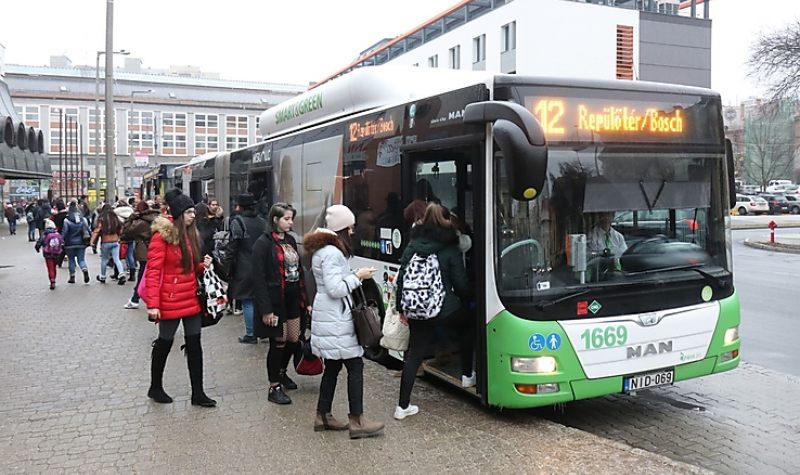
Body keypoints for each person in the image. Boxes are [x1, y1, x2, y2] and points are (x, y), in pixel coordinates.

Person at [303, 204, 384, 438]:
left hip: (331, 316)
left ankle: (323, 415)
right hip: (336, 318)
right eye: (349, 227)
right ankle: (357, 421)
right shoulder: (332, 253)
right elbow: (335, 288)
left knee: (333, 366)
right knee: (355, 366)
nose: (352, 232)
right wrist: (358, 276)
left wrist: (353, 274)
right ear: (341, 228)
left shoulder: (324, 250)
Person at [394, 203, 472, 420]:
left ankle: (402, 407)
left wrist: (401, 308)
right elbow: (461, 283)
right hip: (444, 308)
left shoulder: (413, 244)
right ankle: (468, 375)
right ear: (447, 221)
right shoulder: (450, 247)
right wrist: (468, 299)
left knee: (415, 354)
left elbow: (401, 278)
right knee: (469, 325)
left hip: (417, 308)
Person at [144, 188, 216, 407]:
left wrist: (202, 266)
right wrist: (153, 305)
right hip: (170, 300)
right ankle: (155, 387)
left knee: (195, 345)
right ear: (178, 214)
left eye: (193, 212)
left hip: (191, 297)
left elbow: (189, 268)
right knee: (164, 344)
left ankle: (198, 393)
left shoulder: (190, 235)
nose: (193, 216)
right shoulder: (162, 237)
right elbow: (153, 272)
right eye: (188, 212)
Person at [252, 203, 310, 405]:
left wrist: (306, 301)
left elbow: (300, 272)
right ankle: (273, 385)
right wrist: (266, 310)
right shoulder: (263, 243)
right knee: (278, 341)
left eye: (291, 218)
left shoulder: (291, 240)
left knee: (294, 338)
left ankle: (282, 372)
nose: (290, 222)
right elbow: (258, 278)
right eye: (286, 219)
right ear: (275, 219)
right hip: (276, 301)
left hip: (293, 298)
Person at [228, 193, 266, 344]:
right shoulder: (262, 222)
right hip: (261, 265)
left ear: (240, 207)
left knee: (247, 300)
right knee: (260, 299)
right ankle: (263, 332)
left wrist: (228, 265)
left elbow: (233, 246)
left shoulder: (238, 222)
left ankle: (251, 334)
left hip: (244, 266)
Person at [121, 200, 161, 309]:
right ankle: (136, 298)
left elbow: (126, 230)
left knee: (142, 277)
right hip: (155, 249)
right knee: (150, 276)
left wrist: (131, 218)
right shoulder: (156, 218)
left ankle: (135, 299)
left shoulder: (141, 222)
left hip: (144, 251)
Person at [91, 205, 126, 284]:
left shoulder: (102, 219)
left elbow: (97, 230)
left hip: (105, 242)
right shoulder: (115, 219)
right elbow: (120, 229)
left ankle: (103, 276)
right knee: (117, 259)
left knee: (104, 260)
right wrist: (119, 237)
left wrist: (92, 241)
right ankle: (121, 274)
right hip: (115, 241)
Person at [61, 201, 91, 284]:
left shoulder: (66, 220)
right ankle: (84, 269)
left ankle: (72, 277)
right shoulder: (83, 219)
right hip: (81, 243)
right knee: (81, 259)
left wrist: (62, 241)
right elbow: (88, 230)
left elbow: (64, 232)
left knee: (71, 260)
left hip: (69, 244)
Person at [35, 219, 63, 290]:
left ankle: (52, 280)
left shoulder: (44, 234)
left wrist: (37, 248)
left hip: (48, 254)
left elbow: (39, 242)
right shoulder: (57, 234)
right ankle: (54, 278)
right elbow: (62, 242)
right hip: (56, 253)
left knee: (50, 268)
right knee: (54, 267)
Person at [115, 199, 136, 282]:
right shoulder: (131, 213)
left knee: (118, 256)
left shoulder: (116, 214)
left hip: (121, 237)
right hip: (131, 236)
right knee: (130, 255)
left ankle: (117, 273)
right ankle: (132, 274)